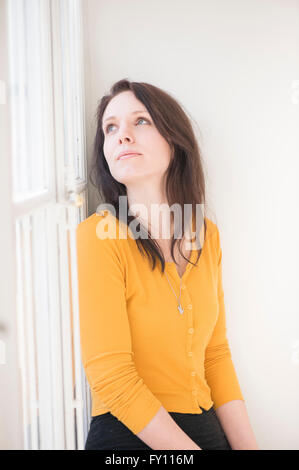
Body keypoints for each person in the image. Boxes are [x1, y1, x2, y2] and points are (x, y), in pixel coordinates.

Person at [76, 78, 259, 450]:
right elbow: (111, 376)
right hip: (127, 434)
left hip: (208, 428)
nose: (122, 135)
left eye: (140, 121)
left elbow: (216, 355)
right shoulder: (98, 235)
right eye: (110, 128)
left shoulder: (207, 236)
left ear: (175, 141)